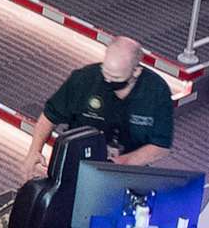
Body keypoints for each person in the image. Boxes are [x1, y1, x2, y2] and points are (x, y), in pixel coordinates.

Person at [26, 35, 175, 172]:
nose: (108, 81)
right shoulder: (84, 79)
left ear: (135, 72)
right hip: (79, 160)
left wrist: (115, 165)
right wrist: (34, 151)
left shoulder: (157, 92)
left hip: (129, 167)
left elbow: (161, 146)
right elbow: (50, 115)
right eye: (105, 73)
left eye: (116, 78)